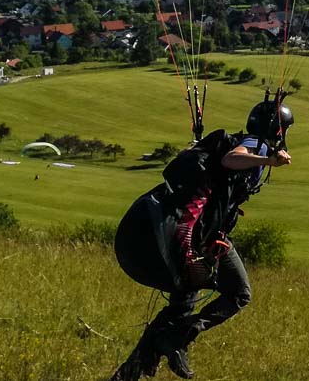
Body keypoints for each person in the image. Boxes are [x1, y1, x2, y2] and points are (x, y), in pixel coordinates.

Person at [122, 99, 292, 380]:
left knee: (181, 306)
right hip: (204, 237)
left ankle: (129, 373)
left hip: (198, 234)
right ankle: (179, 336)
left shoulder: (244, 141)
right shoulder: (257, 145)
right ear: (278, 130)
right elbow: (231, 159)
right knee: (239, 293)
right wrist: (269, 160)